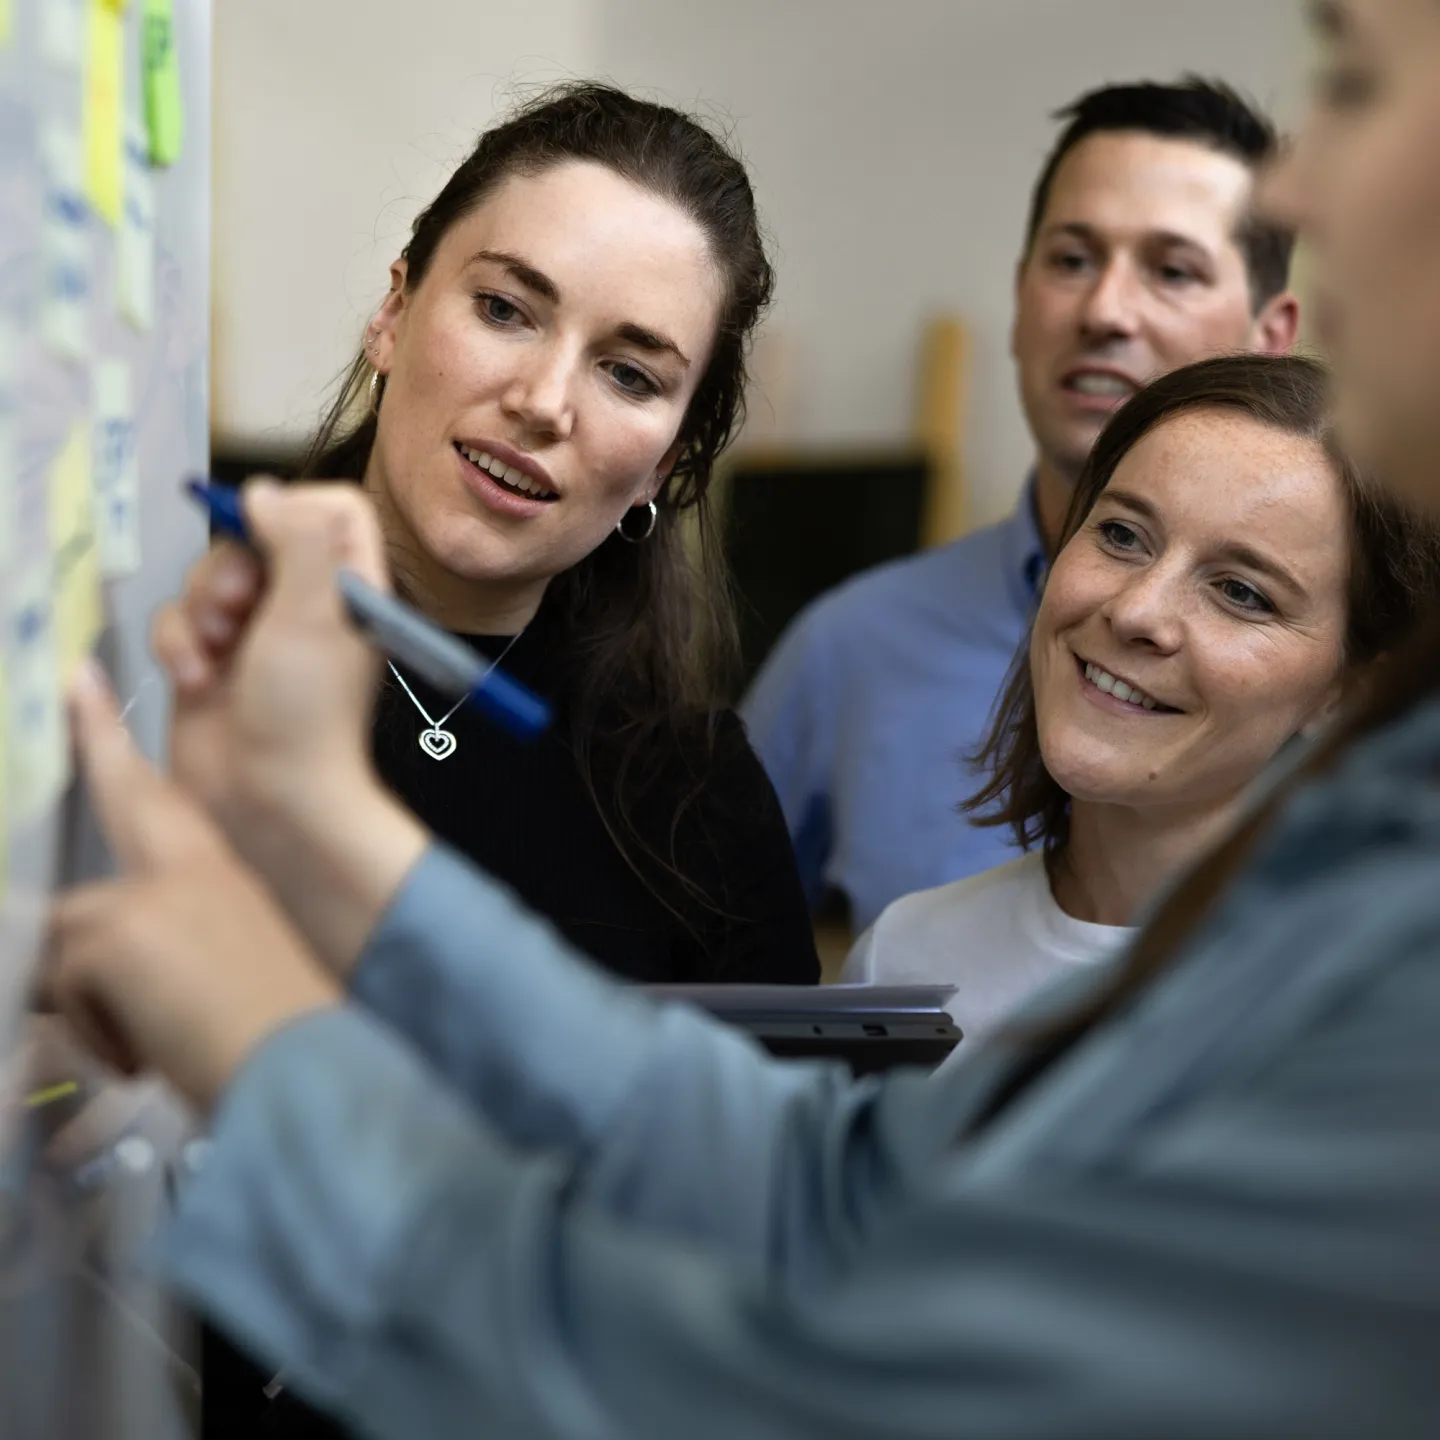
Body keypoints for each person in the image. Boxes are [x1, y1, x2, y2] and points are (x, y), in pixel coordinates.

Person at [42, 0, 1440, 1430]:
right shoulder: (992, 941)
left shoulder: (1377, 981)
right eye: (1123, 535)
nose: (1306, 183)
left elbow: (772, 1331)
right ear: (395, 307)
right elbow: (800, 1186)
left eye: (1366, 86)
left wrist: (268, 1049)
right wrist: (318, 824)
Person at [246, 82, 819, 989]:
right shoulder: (174, 647)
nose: (544, 404)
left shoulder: (699, 797)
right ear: (394, 312)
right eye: (506, 310)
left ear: (669, 461)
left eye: (629, 375)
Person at [743, 78, 1302, 933]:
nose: (1105, 310)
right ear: (1018, 299)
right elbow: (703, 967)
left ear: (1271, 336)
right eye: (1073, 259)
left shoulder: (1348, 698)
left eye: (1173, 270)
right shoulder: (848, 650)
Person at [842, 352, 1440, 1043]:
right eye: (1122, 535)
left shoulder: (1385, 1017)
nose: (1136, 612)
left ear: (1352, 688)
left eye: (1240, 591)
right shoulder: (905, 961)